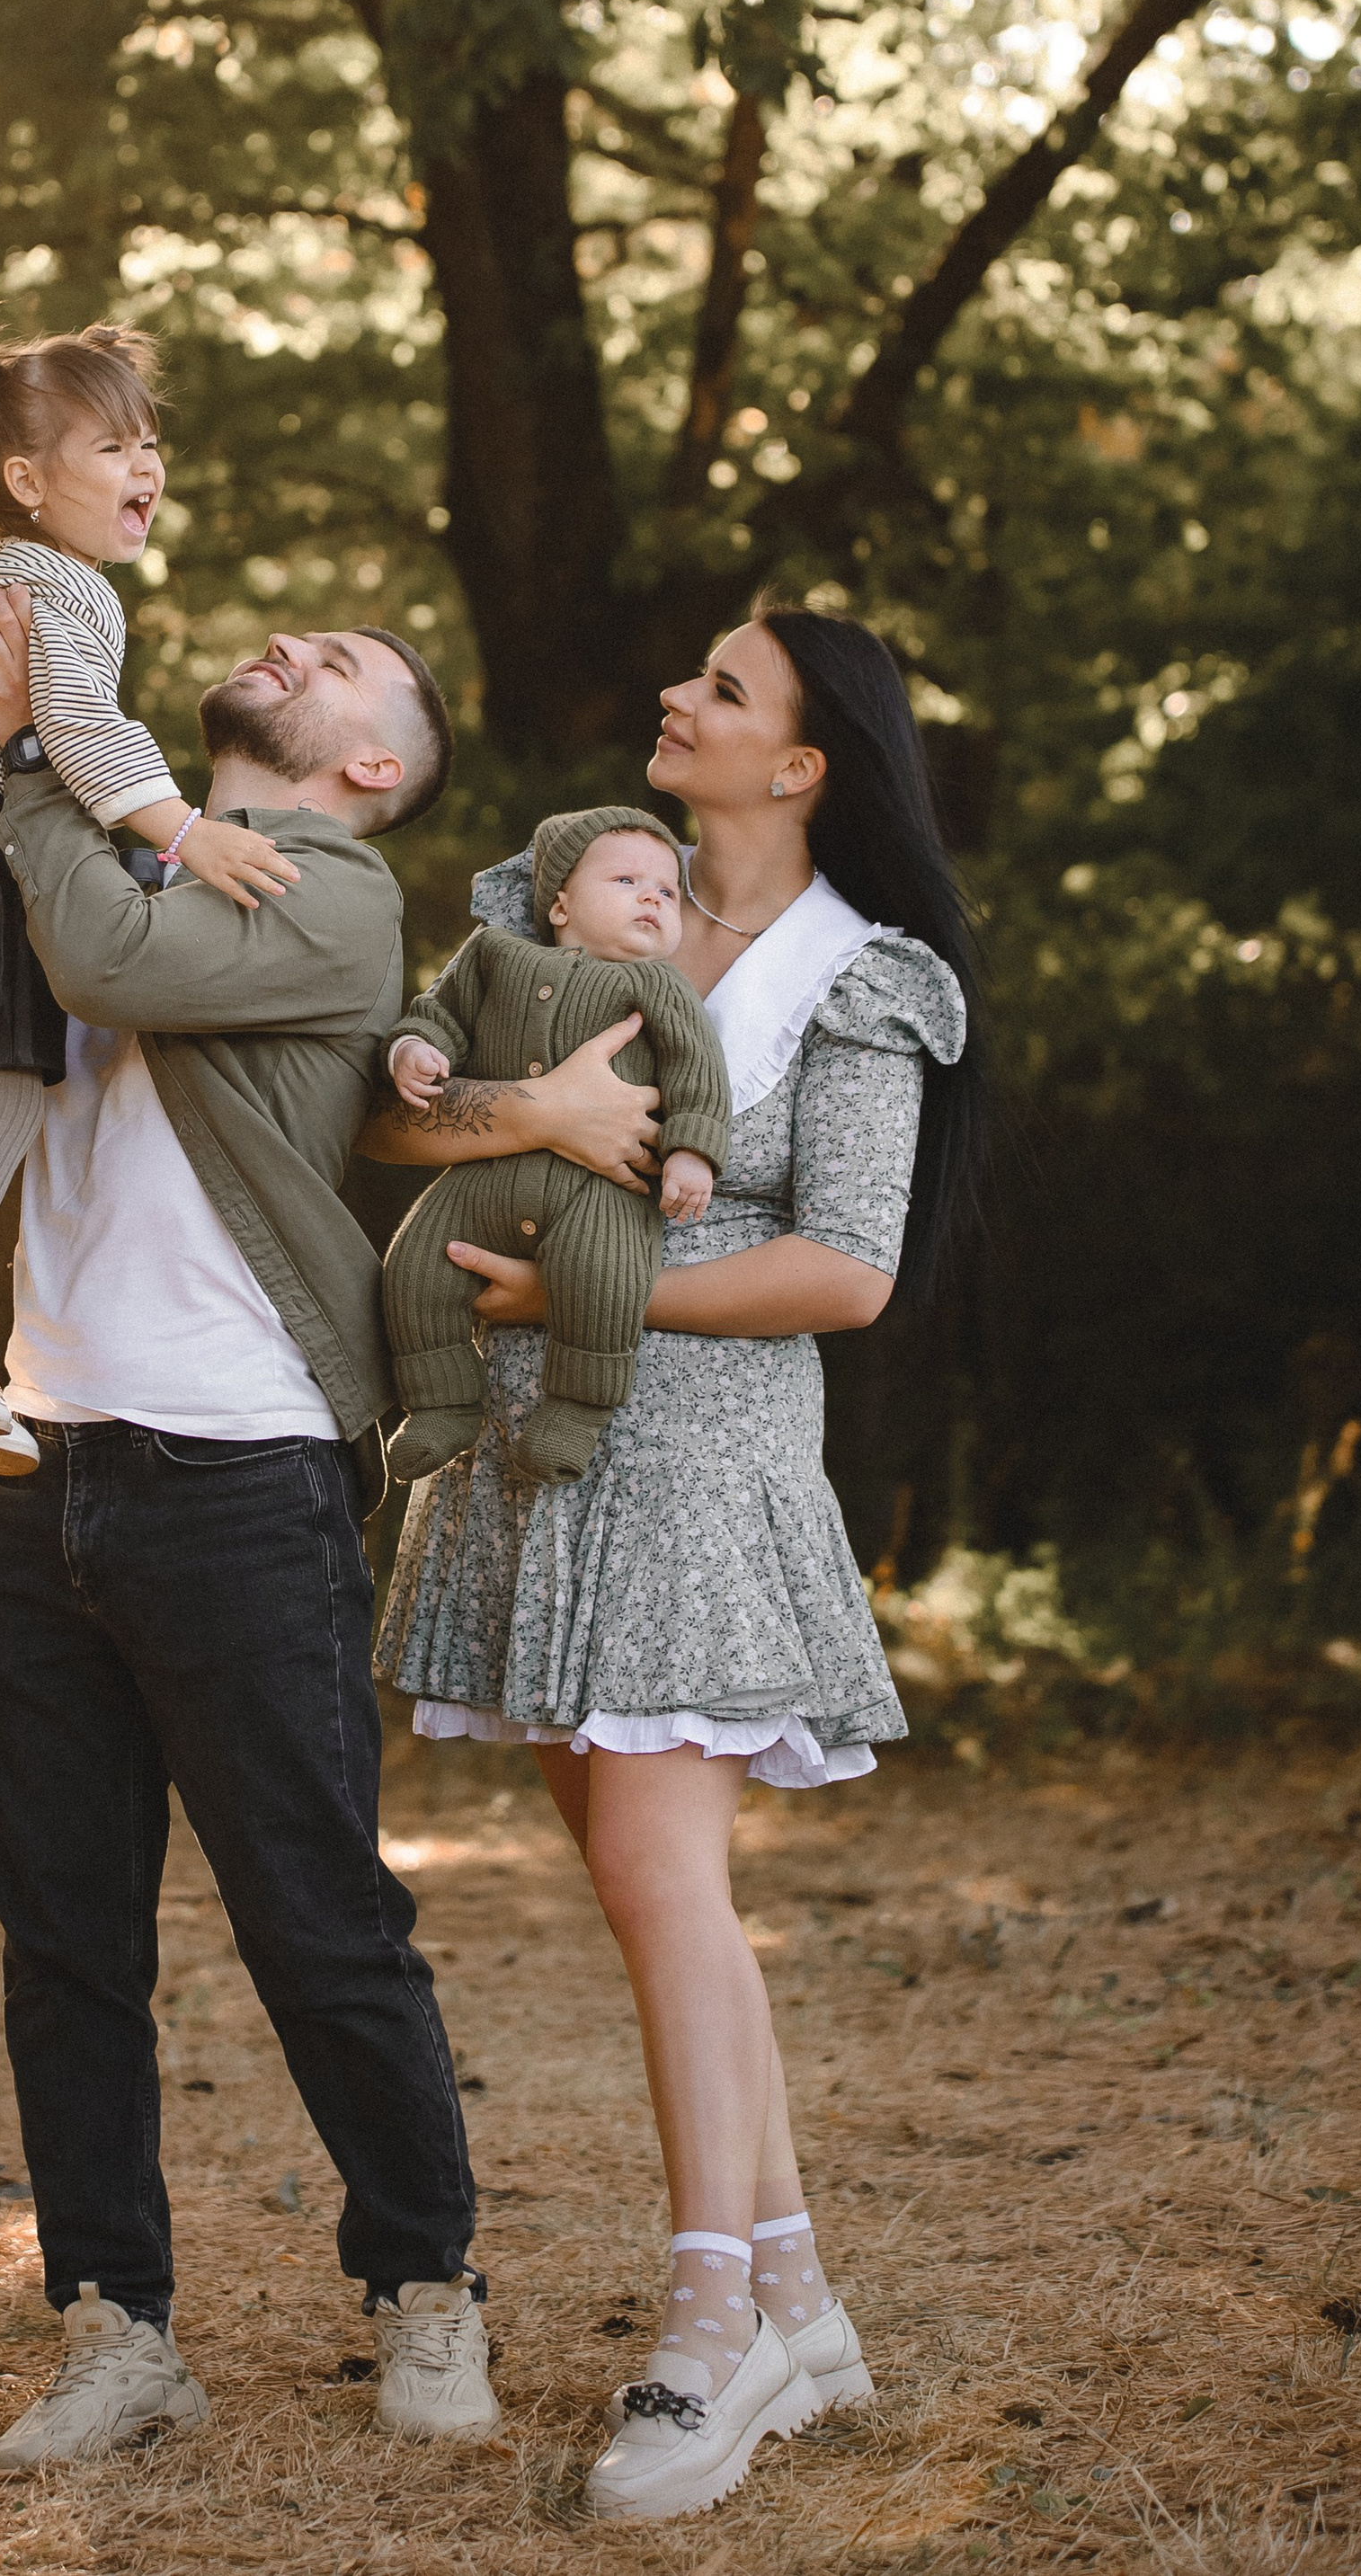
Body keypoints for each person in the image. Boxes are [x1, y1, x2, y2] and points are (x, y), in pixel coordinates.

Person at [366, 605, 989, 2526]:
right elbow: (402, 1120)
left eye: (723, 690)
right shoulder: (564, 909)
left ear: (799, 768)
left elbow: (853, 1270)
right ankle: (794, 2293)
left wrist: (592, 1280)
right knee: (661, 1899)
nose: (677, 699)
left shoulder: (854, 982)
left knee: (660, 1888)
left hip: (701, 1479)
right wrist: (515, 1127)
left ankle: (708, 2330)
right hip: (523, 1461)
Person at [0, 581, 503, 2471]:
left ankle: (424, 2286)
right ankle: (116, 2327)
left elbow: (99, 964)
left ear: (364, 762)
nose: (288, 640)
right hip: (41, 1457)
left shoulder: (332, 893)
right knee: (64, 1939)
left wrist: (33, 761)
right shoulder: (135, 836)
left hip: (239, 1473)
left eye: (338, 661)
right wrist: (9, 748)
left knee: (314, 1918)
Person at [0, 321, 294, 1476]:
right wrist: (183, 833)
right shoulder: (56, 581)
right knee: (4, 1107)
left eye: (149, 444)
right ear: (27, 482)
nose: (147, 469)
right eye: (115, 448)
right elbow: (75, 726)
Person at [378, 809, 729, 1485]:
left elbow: (698, 1071)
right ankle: (441, 1400)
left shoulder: (661, 986)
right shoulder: (493, 954)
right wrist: (413, 1049)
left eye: (667, 889)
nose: (653, 896)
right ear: (561, 902)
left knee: (604, 1278)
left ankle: (576, 1409)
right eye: (627, 879)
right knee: (414, 1263)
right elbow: (439, 1011)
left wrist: (693, 1152)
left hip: (600, 1190)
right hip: (488, 1169)